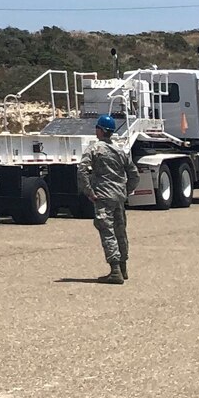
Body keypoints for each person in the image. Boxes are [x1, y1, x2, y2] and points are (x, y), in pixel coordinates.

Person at [77, 113, 136, 285]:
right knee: (120, 231)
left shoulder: (94, 149)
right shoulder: (120, 150)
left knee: (107, 232)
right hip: (118, 196)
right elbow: (133, 174)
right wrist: (126, 190)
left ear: (101, 131)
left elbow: (82, 171)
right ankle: (123, 268)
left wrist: (89, 191)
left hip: (103, 196)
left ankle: (115, 270)